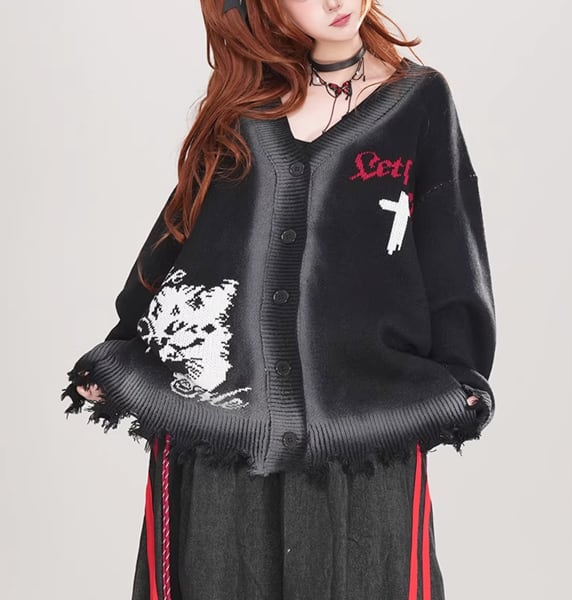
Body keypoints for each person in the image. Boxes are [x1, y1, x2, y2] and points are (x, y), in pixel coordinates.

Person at [63, 1, 496, 599]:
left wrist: (462, 374)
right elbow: (182, 232)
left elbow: (451, 244)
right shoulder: (243, 105)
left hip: (361, 433)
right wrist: (122, 347)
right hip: (224, 435)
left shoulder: (420, 101)